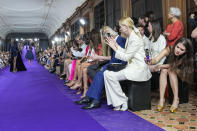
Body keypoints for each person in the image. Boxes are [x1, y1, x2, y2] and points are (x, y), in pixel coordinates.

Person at [103, 17, 152, 111]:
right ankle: (119, 101)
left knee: (110, 75)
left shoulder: (135, 38)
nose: (119, 29)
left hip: (138, 69)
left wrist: (114, 47)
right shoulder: (131, 36)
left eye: (121, 26)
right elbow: (126, 52)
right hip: (132, 67)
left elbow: (126, 57)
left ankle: (122, 100)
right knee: (106, 73)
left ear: (126, 27)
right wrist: (116, 46)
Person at [75, 26, 127, 109]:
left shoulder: (120, 40)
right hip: (113, 62)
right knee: (98, 72)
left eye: (104, 37)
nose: (104, 39)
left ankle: (95, 100)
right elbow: (115, 57)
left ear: (108, 34)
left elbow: (120, 58)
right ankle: (90, 97)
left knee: (100, 73)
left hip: (119, 64)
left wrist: (100, 59)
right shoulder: (116, 40)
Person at [147, 38, 193, 112]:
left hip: (181, 73)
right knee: (164, 70)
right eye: (177, 47)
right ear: (175, 44)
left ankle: (176, 99)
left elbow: (173, 65)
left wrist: (160, 66)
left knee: (171, 70)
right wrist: (150, 61)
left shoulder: (186, 56)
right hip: (169, 69)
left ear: (186, 51)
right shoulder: (169, 49)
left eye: (182, 50)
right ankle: (162, 99)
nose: (178, 50)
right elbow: (156, 59)